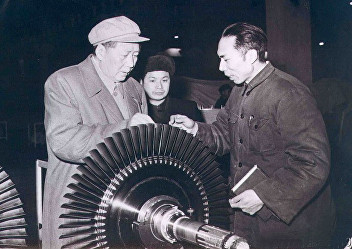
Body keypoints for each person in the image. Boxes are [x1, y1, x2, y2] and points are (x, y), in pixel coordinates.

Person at [170, 22, 335, 249]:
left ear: (250, 56)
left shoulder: (289, 93)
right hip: (249, 221)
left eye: (225, 59)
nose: (220, 67)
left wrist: (263, 196)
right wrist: (195, 129)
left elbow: (313, 164)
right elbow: (223, 135)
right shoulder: (239, 91)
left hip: (289, 229)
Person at [43, 16, 154, 248]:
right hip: (77, 208)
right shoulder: (64, 82)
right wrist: (125, 129)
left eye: (136, 55)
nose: (132, 63)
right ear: (101, 51)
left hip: (120, 207)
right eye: (125, 55)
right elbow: (64, 141)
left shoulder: (135, 88)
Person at [142, 54, 203, 124]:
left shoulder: (188, 109)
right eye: (152, 80)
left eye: (164, 80)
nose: (159, 86)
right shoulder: (135, 110)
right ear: (141, 82)